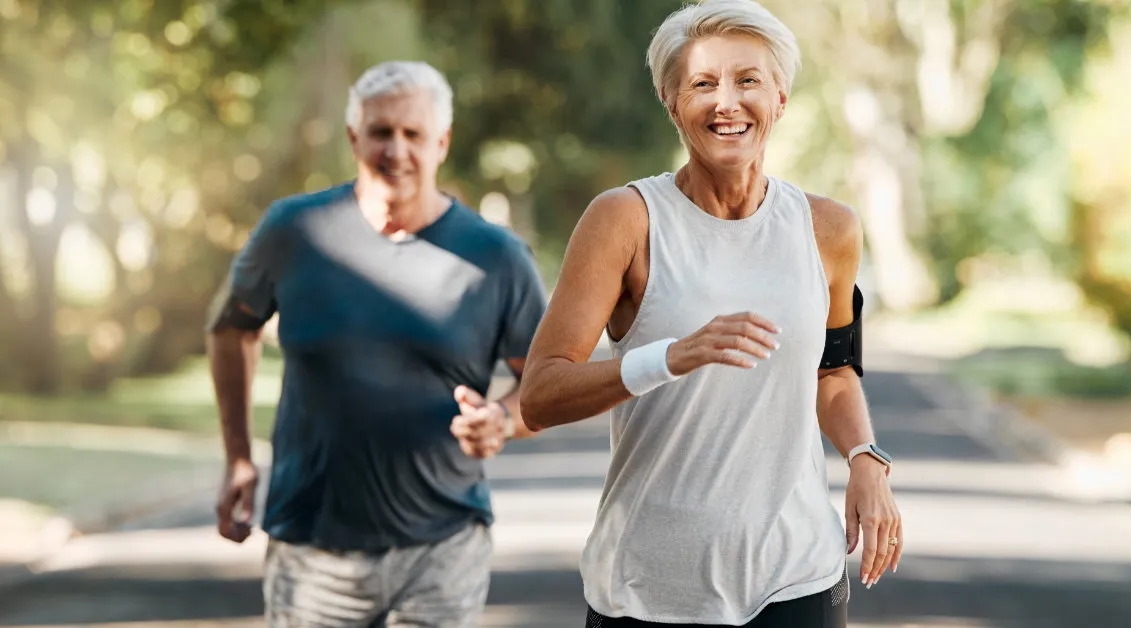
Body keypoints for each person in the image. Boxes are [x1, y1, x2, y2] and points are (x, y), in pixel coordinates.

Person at [520, 1, 902, 626]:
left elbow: (833, 372)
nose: (727, 102)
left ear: (780, 98)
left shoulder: (828, 229)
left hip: (798, 577)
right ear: (672, 104)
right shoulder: (626, 220)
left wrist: (865, 456)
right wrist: (669, 357)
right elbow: (540, 394)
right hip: (650, 587)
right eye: (702, 84)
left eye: (748, 80)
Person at [205, 60, 547, 627]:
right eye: (380, 132)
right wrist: (238, 456)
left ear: (442, 142)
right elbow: (231, 328)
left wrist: (503, 420)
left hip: (444, 548)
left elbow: (547, 381)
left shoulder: (497, 257)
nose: (396, 150)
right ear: (353, 137)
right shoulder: (293, 230)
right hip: (313, 554)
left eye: (413, 134)